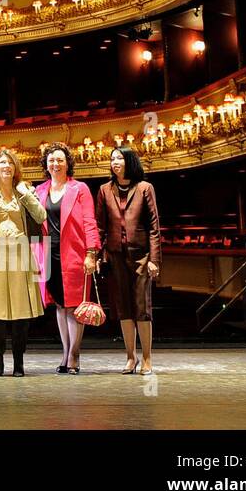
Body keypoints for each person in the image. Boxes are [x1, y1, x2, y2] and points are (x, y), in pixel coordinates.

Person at [0, 148, 46, 377]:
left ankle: (19, 362)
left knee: (21, 312)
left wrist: (25, 194)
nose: (6, 166)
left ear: (15, 168)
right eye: (2, 163)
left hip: (20, 253)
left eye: (10, 163)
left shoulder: (24, 191)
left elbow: (41, 216)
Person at [35, 143, 99, 375]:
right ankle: (65, 352)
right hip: (48, 255)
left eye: (60, 160)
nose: (55, 164)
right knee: (60, 306)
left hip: (74, 255)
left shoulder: (80, 188)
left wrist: (91, 253)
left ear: (67, 162)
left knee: (74, 306)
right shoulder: (39, 191)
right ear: (46, 164)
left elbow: (90, 222)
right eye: (51, 160)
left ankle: (75, 354)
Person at [96, 146, 161, 375]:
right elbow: (101, 227)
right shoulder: (105, 190)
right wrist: (96, 255)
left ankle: (147, 359)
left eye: (119, 158)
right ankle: (130, 358)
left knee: (142, 306)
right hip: (116, 255)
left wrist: (154, 259)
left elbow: (154, 227)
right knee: (123, 306)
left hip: (142, 255)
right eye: (112, 159)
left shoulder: (145, 188)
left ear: (130, 161)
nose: (114, 162)